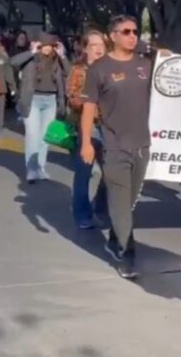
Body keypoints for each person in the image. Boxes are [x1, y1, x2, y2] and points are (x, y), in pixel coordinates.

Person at [80, 15, 152, 279]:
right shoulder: (99, 69)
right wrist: (86, 142)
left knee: (128, 204)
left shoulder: (146, 64)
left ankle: (114, 239)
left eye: (135, 31)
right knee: (121, 205)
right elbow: (88, 108)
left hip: (142, 147)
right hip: (114, 148)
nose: (132, 36)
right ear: (113, 36)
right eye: (126, 31)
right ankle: (127, 253)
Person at [12, 33, 68, 183]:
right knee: (32, 134)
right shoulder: (30, 59)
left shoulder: (57, 60)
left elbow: (69, 73)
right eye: (44, 45)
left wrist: (63, 56)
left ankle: (40, 167)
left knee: (44, 137)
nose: (47, 48)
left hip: (51, 101)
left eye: (51, 45)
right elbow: (13, 63)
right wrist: (31, 51)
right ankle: (31, 169)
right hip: (32, 100)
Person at [67, 30, 108, 230]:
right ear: (85, 48)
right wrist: (91, 102)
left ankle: (99, 207)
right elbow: (73, 98)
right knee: (84, 172)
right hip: (87, 126)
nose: (99, 49)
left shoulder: (111, 68)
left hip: (109, 127)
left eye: (102, 45)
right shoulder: (79, 70)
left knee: (111, 173)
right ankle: (82, 213)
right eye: (94, 45)